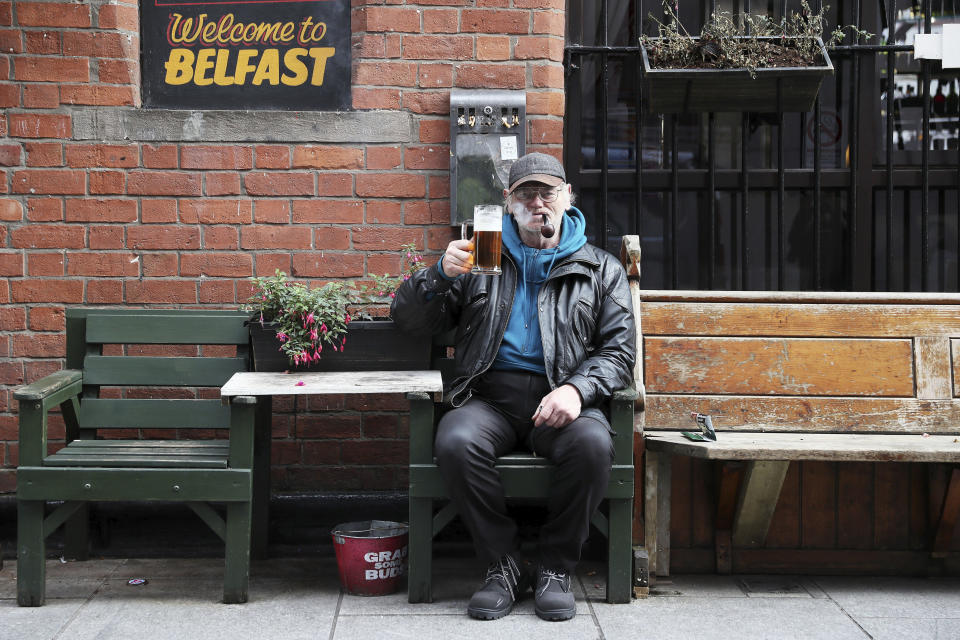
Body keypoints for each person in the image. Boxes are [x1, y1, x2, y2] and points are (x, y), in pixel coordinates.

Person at [391, 152, 636, 622]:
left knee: (591, 444)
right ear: (508, 201)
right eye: (526, 193)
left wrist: (578, 391)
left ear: (567, 197)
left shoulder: (600, 268)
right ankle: (502, 563)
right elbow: (407, 321)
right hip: (490, 396)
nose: (537, 202)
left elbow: (620, 353)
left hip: (561, 396)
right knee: (457, 441)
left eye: (548, 192)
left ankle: (555, 568)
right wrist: (438, 276)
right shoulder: (480, 253)